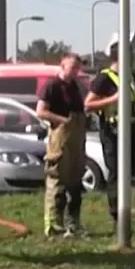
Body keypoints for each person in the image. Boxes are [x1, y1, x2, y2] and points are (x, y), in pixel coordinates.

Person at [84, 41, 135, 225]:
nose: (133, 57)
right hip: (113, 133)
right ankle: (118, 218)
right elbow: (88, 104)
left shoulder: (130, 76)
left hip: (133, 129)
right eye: (130, 54)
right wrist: (113, 98)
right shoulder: (104, 78)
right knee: (117, 174)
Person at [35, 54, 88, 238]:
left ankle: (73, 224)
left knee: (75, 183)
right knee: (57, 181)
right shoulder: (52, 86)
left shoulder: (75, 87)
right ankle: (53, 226)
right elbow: (41, 111)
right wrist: (63, 121)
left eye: (77, 68)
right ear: (62, 65)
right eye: (72, 67)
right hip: (60, 138)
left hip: (76, 141)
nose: (75, 71)